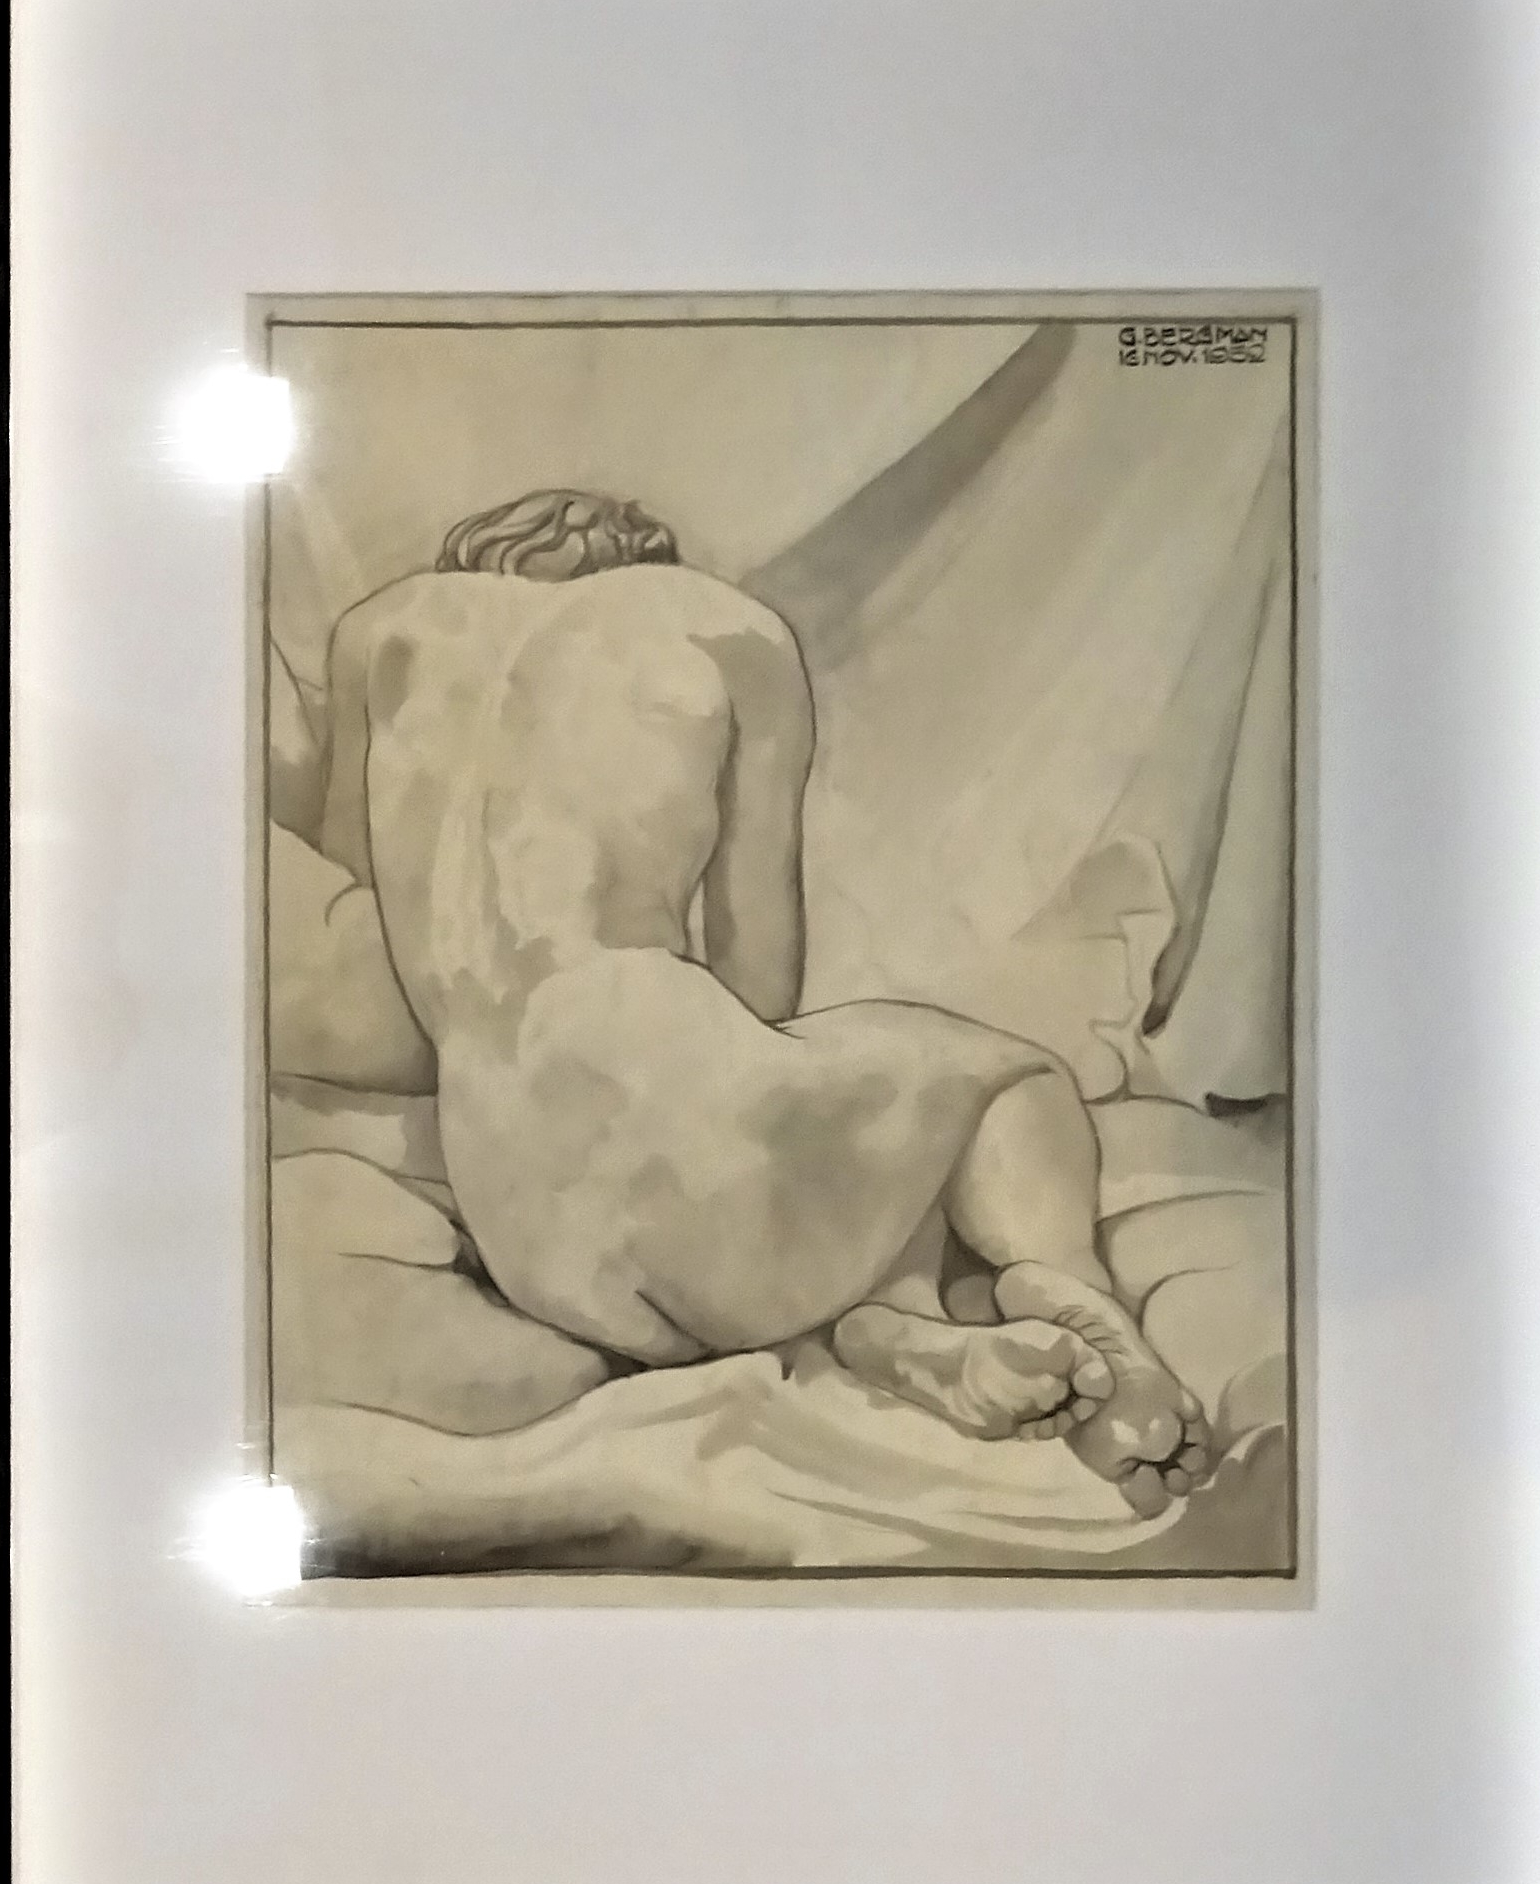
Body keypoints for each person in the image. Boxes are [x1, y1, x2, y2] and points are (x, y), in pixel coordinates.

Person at [316, 487, 1209, 1515]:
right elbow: (759, 973)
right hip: (699, 1154)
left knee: (845, 1146)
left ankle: (892, 1331)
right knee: (1002, 1080)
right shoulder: (725, 630)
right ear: (638, 553)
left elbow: (358, 919)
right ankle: (1073, 1287)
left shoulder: (382, 634)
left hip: (534, 1236)